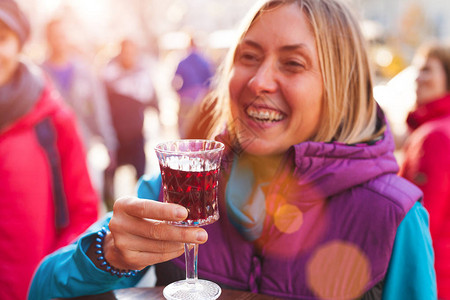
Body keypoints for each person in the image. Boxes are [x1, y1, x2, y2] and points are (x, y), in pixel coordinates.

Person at [28, 0, 437, 299]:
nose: (259, 80)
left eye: (292, 64)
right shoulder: (180, 187)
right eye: (248, 56)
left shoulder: (394, 216)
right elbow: (43, 287)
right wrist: (105, 255)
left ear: (341, 87)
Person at [0, 1, 99, 299]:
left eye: (2, 39)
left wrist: (54, 282)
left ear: (19, 44)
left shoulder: (52, 120)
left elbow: (83, 213)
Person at [41, 18, 119, 201]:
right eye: (54, 37)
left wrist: (109, 143)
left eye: (62, 36)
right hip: (50, 152)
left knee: (87, 199)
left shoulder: (84, 71)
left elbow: (99, 110)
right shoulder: (39, 75)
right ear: (47, 39)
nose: (59, 41)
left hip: (84, 148)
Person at [399, 41, 450, 300]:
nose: (418, 77)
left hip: (430, 279)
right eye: (417, 69)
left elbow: (422, 222)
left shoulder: (435, 136)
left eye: (428, 70)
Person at [101, 38, 159, 211]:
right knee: (110, 172)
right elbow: (101, 106)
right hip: (116, 137)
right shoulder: (109, 75)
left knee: (141, 176)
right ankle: (109, 210)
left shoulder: (142, 74)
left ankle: (141, 211)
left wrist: (159, 113)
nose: (129, 56)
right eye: (126, 52)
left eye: (132, 52)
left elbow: (152, 97)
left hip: (136, 134)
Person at [172, 35, 215, 138]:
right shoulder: (205, 61)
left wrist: (179, 93)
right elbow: (211, 82)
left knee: (184, 131)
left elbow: (174, 82)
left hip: (186, 99)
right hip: (201, 99)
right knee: (199, 130)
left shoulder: (182, 61)